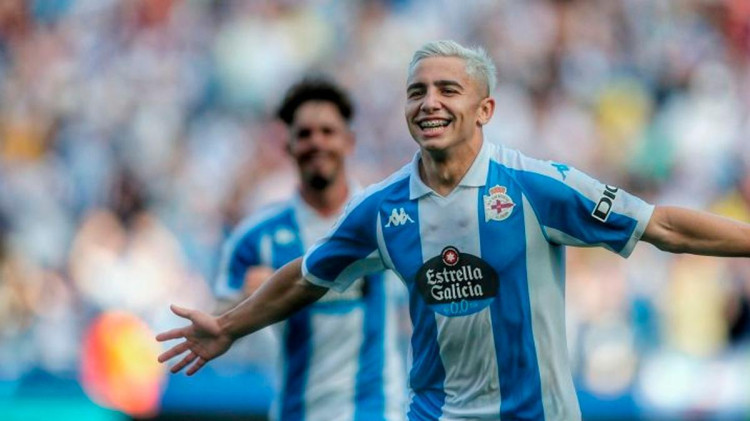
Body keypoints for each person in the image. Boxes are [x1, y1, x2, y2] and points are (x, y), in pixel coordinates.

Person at [156, 41, 750, 421]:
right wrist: (229, 327)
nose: (429, 102)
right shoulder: (381, 209)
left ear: (484, 110)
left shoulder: (538, 187)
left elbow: (662, 226)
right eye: (416, 92)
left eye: (448, 90)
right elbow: (307, 277)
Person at [212, 77, 406, 421]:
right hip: (297, 411)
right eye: (304, 134)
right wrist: (243, 300)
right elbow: (220, 326)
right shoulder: (256, 238)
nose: (316, 142)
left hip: (376, 410)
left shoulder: (389, 218)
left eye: (327, 131)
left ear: (349, 141)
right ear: (288, 146)